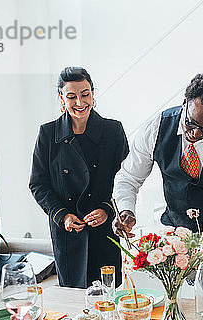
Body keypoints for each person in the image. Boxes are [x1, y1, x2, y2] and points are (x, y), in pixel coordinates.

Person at [113, 73, 203, 302]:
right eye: (190, 123)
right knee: (173, 303)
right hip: (172, 241)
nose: (195, 134)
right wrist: (126, 210)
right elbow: (129, 178)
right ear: (185, 103)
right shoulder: (156, 127)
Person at [30, 66, 129, 288]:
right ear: (61, 99)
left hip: (104, 230)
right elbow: (38, 184)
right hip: (68, 232)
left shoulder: (113, 131)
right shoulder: (48, 134)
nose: (80, 102)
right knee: (74, 302)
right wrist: (62, 215)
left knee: (107, 297)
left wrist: (106, 209)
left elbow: (125, 180)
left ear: (93, 93)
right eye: (71, 96)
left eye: (85, 94)